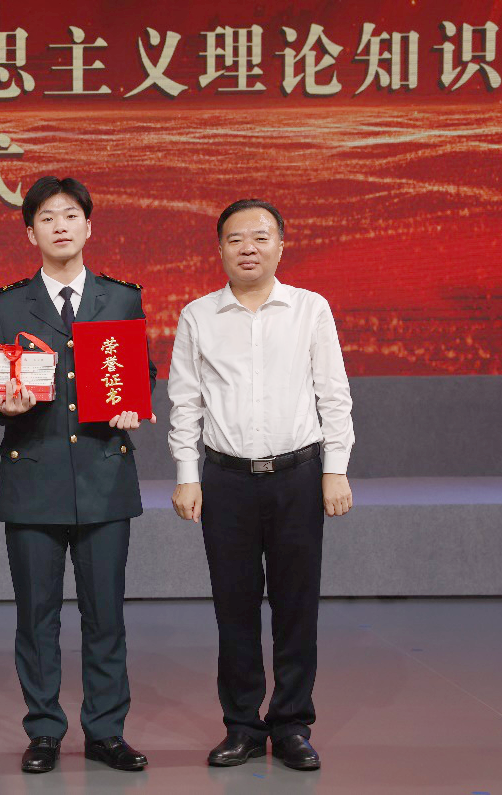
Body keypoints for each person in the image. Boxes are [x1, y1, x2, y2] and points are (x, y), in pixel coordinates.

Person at [167, 198, 354, 771]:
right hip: (226, 480)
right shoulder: (198, 315)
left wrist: (335, 469)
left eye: (260, 237)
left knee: (297, 605)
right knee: (235, 608)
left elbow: (333, 394)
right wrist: (187, 475)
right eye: (235, 239)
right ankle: (243, 726)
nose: (248, 248)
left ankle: (292, 724)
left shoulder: (310, 309)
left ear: (280, 245)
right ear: (220, 249)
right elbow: (185, 403)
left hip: (299, 476)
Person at [0, 176, 156, 774]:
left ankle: (106, 731)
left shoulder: (121, 298)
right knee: (37, 617)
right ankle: (45, 730)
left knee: (107, 615)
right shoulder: (5, 304)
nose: (60, 225)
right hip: (33, 477)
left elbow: (138, 373)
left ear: (88, 226)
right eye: (47, 217)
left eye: (70, 215)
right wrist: (1, 406)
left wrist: (134, 404)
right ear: (30, 232)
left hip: (104, 475)